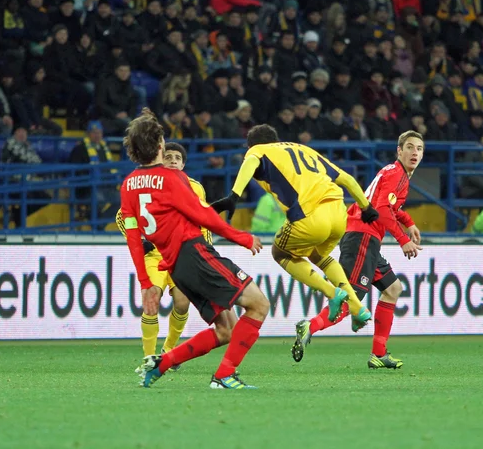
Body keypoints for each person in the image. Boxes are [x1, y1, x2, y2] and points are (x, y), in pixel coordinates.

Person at [120, 109, 268, 390]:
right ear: (160, 146)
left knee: (226, 330)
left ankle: (161, 363)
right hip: (195, 253)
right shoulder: (171, 179)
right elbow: (203, 216)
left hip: (177, 266)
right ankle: (224, 376)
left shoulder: (128, 186)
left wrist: (145, 282)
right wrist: (241, 237)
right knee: (259, 305)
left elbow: (131, 234)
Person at [211, 124, 379, 332]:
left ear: (250, 145)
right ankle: (357, 307)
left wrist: (234, 195)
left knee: (280, 252)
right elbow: (347, 179)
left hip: (310, 216)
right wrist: (366, 206)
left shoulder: (258, 150)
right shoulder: (304, 149)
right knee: (319, 256)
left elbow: (252, 160)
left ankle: (331, 292)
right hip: (338, 213)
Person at [292, 130, 424, 369]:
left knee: (393, 288)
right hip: (362, 236)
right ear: (399, 151)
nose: (415, 152)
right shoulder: (398, 176)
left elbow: (388, 206)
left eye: (419, 149)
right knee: (351, 300)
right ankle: (310, 326)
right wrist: (403, 239)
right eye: (410, 147)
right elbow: (382, 210)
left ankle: (379, 354)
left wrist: (408, 221)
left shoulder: (394, 173)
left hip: (364, 236)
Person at [115, 142, 237, 361]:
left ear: (183, 163)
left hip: (183, 253)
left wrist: (206, 249)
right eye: (168, 156)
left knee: (181, 303)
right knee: (152, 300)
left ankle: (168, 350)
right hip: (155, 255)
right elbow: (121, 215)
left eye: (177, 158)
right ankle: (148, 358)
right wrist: (138, 240)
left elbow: (202, 219)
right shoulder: (150, 181)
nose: (172, 160)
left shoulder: (195, 187)